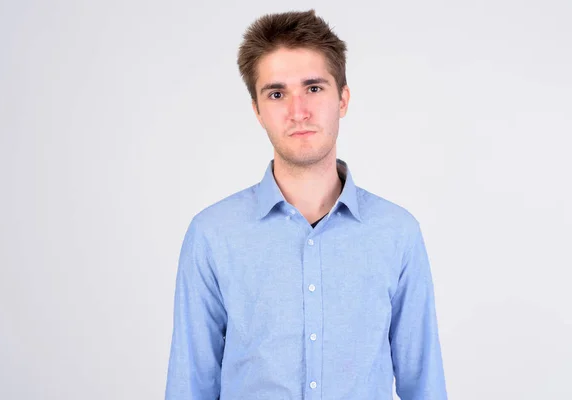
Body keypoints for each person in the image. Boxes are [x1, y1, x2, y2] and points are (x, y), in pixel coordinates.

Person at [165, 9, 447, 400]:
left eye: (313, 88)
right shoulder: (212, 235)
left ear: (343, 99)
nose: (298, 112)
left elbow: (425, 384)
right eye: (277, 93)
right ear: (257, 111)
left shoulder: (397, 232)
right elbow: (190, 385)